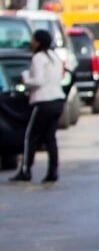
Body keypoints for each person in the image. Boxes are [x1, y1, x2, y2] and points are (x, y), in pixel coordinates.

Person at [10, 29, 65, 184]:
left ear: (39, 42)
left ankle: (26, 170)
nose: (32, 43)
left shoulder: (38, 58)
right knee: (50, 138)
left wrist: (25, 78)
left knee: (30, 137)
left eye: (33, 40)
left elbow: (38, 81)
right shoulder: (55, 57)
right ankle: (53, 171)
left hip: (43, 101)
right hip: (57, 100)